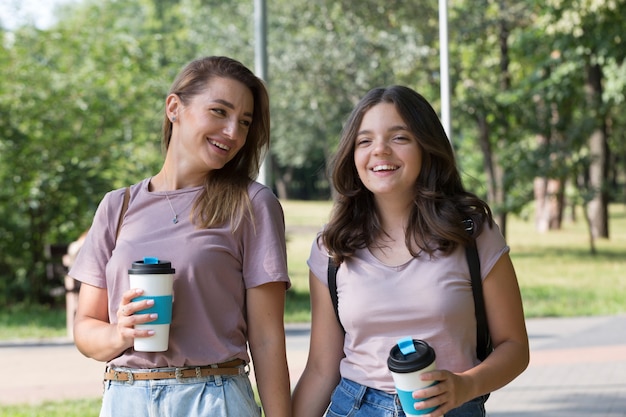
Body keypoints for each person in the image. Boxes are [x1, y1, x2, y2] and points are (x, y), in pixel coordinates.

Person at [71, 56, 292, 417]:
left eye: (245, 122)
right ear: (174, 107)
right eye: (220, 111)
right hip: (126, 398)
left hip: (214, 399)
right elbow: (85, 327)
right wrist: (120, 334)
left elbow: (267, 341)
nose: (234, 132)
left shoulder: (252, 204)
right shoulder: (118, 206)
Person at [292, 85, 529, 417]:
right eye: (365, 141)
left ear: (426, 147)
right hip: (355, 407)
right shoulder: (332, 247)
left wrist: (466, 386)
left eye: (399, 138)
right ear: (352, 155)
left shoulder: (473, 233)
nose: (380, 151)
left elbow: (515, 348)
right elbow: (320, 368)